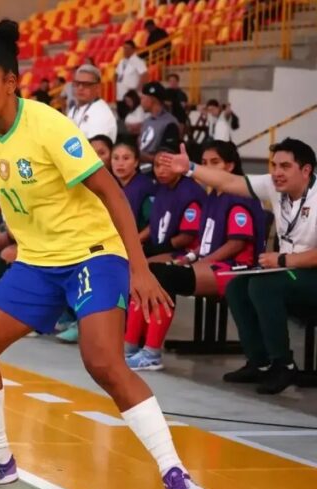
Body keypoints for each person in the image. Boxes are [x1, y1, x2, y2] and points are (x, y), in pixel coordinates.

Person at [0, 20, 208, 489]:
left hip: (92, 254)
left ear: (11, 83)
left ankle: (174, 473)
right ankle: (1, 460)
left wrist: (138, 268)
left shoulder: (50, 126)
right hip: (37, 262)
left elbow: (111, 192)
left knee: (103, 363)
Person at [160, 138, 317, 394]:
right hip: (290, 271)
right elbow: (228, 182)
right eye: (274, 165)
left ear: (306, 170)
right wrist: (190, 168)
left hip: (309, 273)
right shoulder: (274, 186)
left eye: (285, 166)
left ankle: (284, 365)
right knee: (237, 286)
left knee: (264, 286)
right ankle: (260, 363)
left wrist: (283, 260)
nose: (277, 172)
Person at [126, 141, 265, 370]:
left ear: (230, 166)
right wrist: (191, 258)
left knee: (163, 277)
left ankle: (151, 353)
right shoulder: (214, 195)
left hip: (235, 267)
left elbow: (237, 243)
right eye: (205, 162)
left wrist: (203, 261)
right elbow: (207, 240)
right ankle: (130, 347)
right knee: (147, 272)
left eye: (215, 162)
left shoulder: (239, 196)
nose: (208, 167)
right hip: (213, 263)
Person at [143, 144, 206, 258]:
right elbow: (155, 224)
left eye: (167, 165)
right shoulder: (162, 187)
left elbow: (187, 237)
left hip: (186, 253)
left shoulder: (190, 192)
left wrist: (156, 250)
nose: (160, 171)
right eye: (157, 165)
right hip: (161, 247)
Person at [111, 136, 155, 231]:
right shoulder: (110, 184)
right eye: (116, 158)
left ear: (136, 162)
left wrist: (137, 239)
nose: (120, 163)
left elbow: (154, 223)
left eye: (126, 158)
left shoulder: (144, 186)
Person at [138, 82, 181, 173]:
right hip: (140, 168)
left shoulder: (169, 123)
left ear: (152, 100)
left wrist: (140, 156)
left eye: (143, 98)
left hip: (156, 171)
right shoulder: (147, 121)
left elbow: (167, 157)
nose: (141, 102)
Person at [68, 64, 117, 142]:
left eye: (86, 84)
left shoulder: (102, 113)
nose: (80, 88)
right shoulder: (73, 109)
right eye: (77, 83)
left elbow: (96, 146)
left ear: (98, 88)